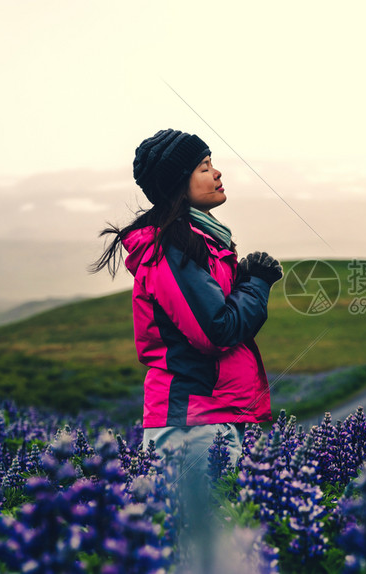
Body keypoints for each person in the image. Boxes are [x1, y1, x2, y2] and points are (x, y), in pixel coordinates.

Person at [91, 128, 283, 474]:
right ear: (179, 184)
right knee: (191, 524)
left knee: (210, 524)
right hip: (191, 420)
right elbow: (215, 331)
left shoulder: (199, 240)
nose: (217, 173)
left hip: (211, 412)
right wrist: (256, 283)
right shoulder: (169, 248)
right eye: (204, 166)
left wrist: (244, 278)